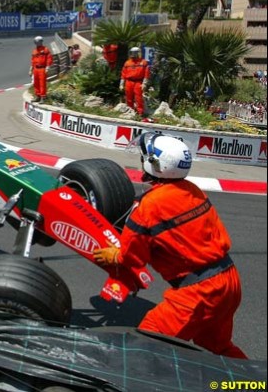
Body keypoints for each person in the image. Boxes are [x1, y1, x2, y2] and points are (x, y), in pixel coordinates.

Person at [93, 132, 247, 359]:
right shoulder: (192, 189)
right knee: (219, 346)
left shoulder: (149, 206)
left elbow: (132, 257)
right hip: (229, 281)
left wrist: (114, 256)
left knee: (146, 345)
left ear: (155, 164)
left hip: (199, 292)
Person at [120, 46, 150, 117]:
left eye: (134, 53)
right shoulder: (127, 63)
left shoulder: (143, 62)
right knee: (128, 98)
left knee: (138, 98)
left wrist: (144, 84)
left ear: (138, 53)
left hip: (138, 82)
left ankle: (140, 113)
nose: (133, 54)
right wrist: (121, 84)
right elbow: (123, 74)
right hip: (129, 82)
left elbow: (146, 74)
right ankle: (130, 111)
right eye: (132, 53)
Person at [28, 35, 53, 102]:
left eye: (37, 42)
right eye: (35, 42)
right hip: (36, 69)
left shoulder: (45, 50)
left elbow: (49, 59)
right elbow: (32, 61)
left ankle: (43, 97)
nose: (36, 43)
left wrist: (47, 67)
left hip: (42, 69)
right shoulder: (34, 51)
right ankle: (38, 96)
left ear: (41, 42)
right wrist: (31, 69)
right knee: (36, 83)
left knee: (42, 83)